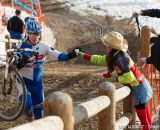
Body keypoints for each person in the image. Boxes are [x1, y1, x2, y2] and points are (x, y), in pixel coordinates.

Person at [75, 31, 153, 130]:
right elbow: (101, 59)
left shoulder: (119, 58)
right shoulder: (115, 55)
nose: (105, 47)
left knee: (144, 119)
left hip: (139, 89)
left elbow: (129, 78)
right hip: (140, 86)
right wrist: (83, 55)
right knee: (146, 117)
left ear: (111, 47)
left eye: (107, 45)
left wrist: (114, 78)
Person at [16, 18, 77, 121]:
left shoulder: (44, 46)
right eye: (33, 34)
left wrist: (72, 54)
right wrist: (20, 62)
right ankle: (29, 117)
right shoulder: (20, 46)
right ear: (28, 33)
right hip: (24, 82)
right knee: (28, 105)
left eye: (37, 34)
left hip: (37, 84)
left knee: (39, 114)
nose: (36, 37)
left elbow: (61, 56)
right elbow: (13, 66)